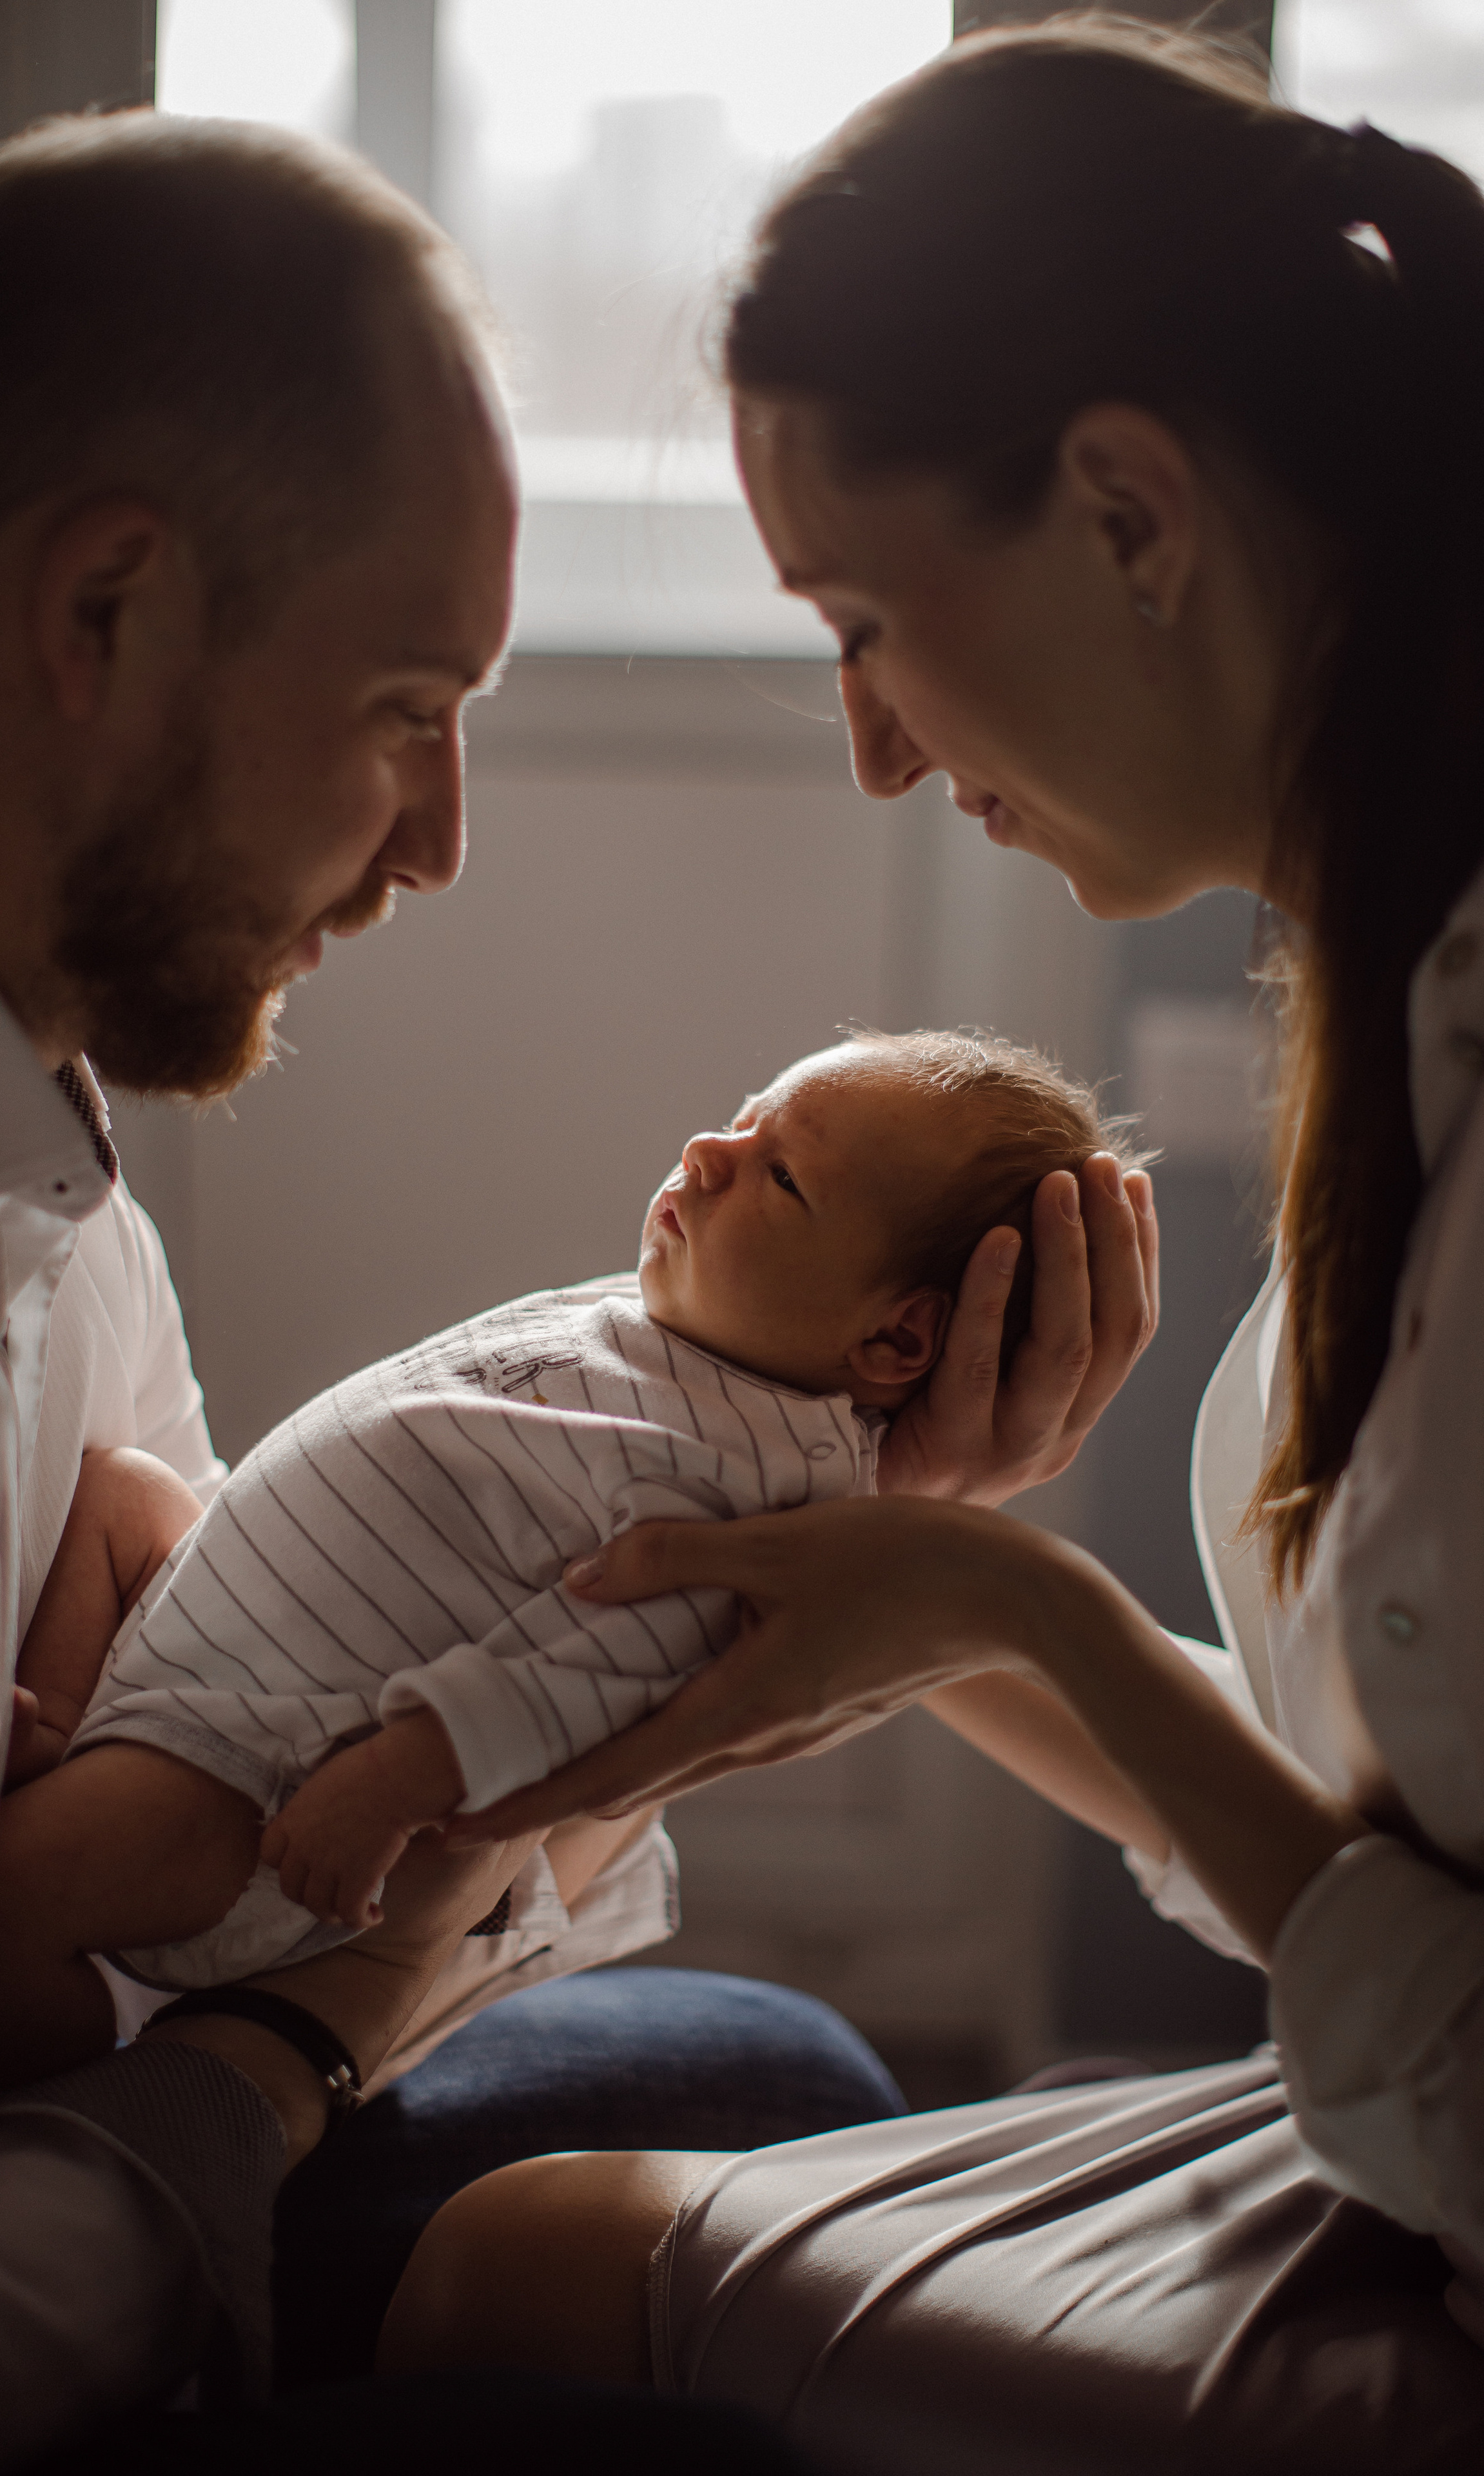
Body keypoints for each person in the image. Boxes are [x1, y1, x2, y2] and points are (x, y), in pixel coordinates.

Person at [374, 21, 1484, 2471]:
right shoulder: (1402, 979)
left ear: (1127, 513)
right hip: (1403, 2143)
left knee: (505, 2288)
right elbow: (1387, 1827)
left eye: (865, 618)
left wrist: (1012, 1608)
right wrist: (919, 1579)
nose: (869, 745)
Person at [0, 112, 931, 2474]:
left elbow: (258, 1657)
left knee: (803, 2094)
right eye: (406, 712)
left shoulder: (25, 1145)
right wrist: (307, 2047)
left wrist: (797, 1545)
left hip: (58, 2050)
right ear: (102, 615)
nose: (435, 845)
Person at [0, 1032, 1140, 2098]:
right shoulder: (676, 1333)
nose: (709, 1153)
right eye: (745, 1115)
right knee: (124, 1490)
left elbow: (607, 1670)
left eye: (782, 1177)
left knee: (1, 1915)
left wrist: (406, 1774)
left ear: (895, 1337)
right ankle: (66, 1735)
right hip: (213, 1634)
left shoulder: (756, 1486)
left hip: (264, 1772)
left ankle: (66, 2116)